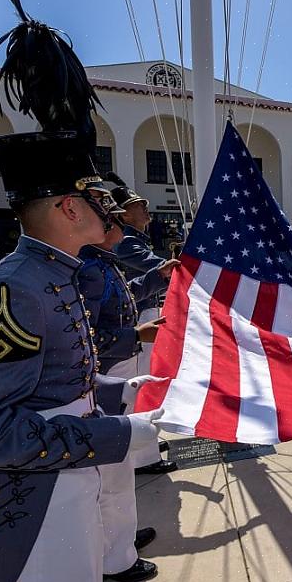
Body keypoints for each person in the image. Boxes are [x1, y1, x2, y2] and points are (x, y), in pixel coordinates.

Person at [0, 2, 163, 582]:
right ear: (69, 208)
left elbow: (61, 388)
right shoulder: (11, 294)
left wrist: (128, 393)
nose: (110, 213)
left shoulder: (55, 274)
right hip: (31, 509)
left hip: (69, 491)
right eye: (98, 200)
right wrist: (118, 434)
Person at [77, 208, 179, 582]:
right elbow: (84, 340)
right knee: (109, 475)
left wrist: (156, 276)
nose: (120, 226)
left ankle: (118, 538)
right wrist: (135, 336)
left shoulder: (101, 263)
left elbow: (124, 297)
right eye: (113, 220)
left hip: (114, 376)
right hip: (103, 377)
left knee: (116, 472)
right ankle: (114, 555)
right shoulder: (88, 269)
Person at [108, 172, 177, 475]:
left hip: (141, 314)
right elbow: (155, 269)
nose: (146, 208)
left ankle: (145, 442)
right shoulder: (126, 243)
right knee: (140, 386)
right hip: (137, 318)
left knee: (144, 383)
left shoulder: (134, 240)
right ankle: (143, 455)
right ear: (123, 214)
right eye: (140, 204)